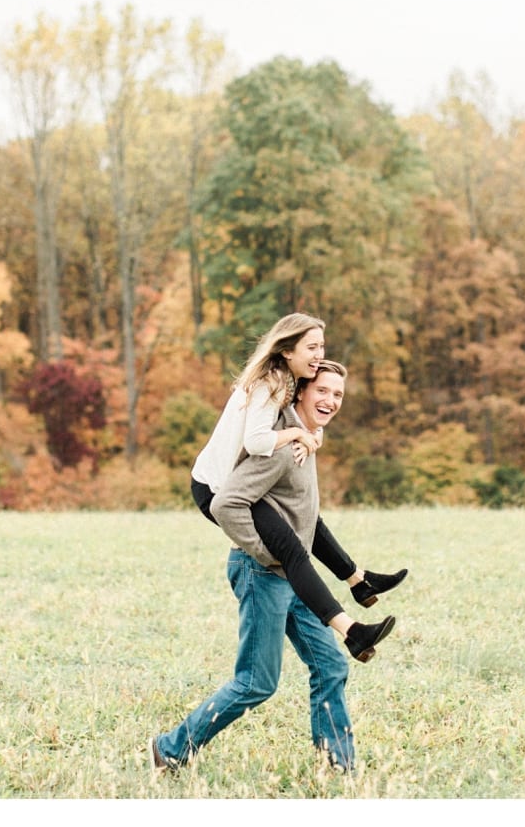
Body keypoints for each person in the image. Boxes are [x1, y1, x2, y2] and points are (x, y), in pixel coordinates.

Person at [152, 362, 393, 775]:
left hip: (294, 578)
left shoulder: (304, 439)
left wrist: (352, 575)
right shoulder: (281, 447)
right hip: (262, 572)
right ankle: (171, 749)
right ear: (299, 391)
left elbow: (304, 518)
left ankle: (339, 766)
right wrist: (267, 554)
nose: (331, 401)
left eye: (338, 395)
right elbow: (225, 502)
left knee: (331, 666)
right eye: (323, 391)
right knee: (256, 683)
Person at [191, 313, 407, 630]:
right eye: (312, 347)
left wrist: (311, 438)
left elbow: (306, 418)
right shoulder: (270, 383)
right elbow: (257, 441)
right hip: (216, 486)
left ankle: (357, 580)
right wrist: (264, 552)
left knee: (308, 517)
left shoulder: (286, 381)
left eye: (322, 346)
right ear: (288, 350)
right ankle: (352, 630)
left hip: (240, 482)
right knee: (291, 551)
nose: (319, 355)